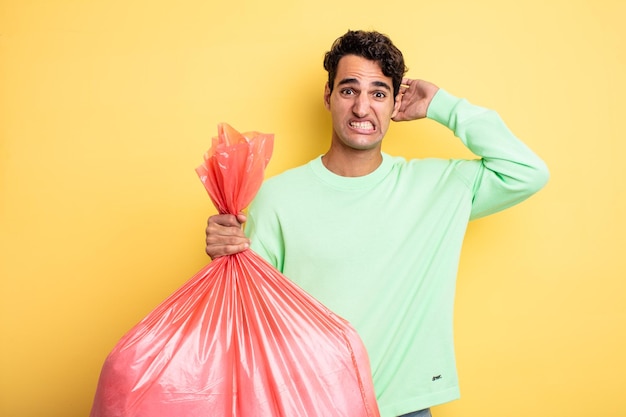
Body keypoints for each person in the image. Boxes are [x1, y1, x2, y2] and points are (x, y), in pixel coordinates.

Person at [205, 30, 549, 417]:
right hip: (307, 404)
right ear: (328, 96)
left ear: (394, 104)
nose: (362, 108)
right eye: (349, 90)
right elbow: (247, 315)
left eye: (379, 93)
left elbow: (527, 171)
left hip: (405, 408)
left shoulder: (438, 187)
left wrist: (441, 105)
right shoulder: (277, 197)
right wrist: (225, 256)